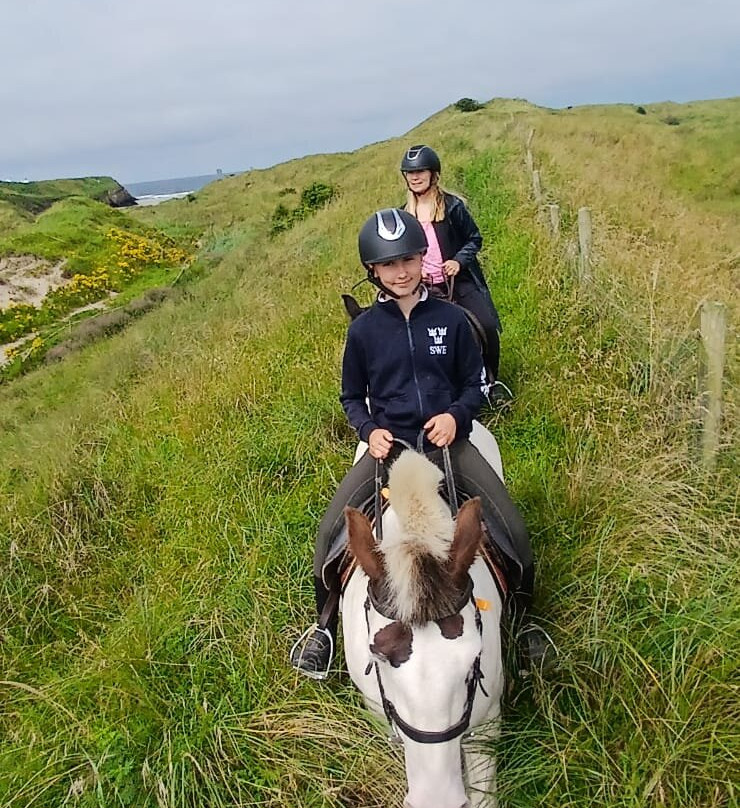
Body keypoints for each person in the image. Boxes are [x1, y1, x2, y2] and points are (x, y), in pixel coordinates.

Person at [290, 208, 548, 680]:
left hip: (448, 444)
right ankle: (323, 628)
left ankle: (529, 624)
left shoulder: (451, 319)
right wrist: (369, 431)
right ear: (374, 271)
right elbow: (351, 396)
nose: (402, 271)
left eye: (409, 258)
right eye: (389, 264)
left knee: (514, 532)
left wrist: (456, 415)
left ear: (421, 257)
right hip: (392, 453)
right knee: (329, 535)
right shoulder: (363, 331)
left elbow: (477, 383)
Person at [401, 144, 513, 406]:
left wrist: (458, 261)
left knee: (485, 325)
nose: (415, 177)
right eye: (410, 173)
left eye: (421, 171)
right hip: (421, 287)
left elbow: (474, 239)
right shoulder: (403, 216)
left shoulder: (452, 207)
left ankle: (491, 382)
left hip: (456, 281)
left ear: (433, 174)